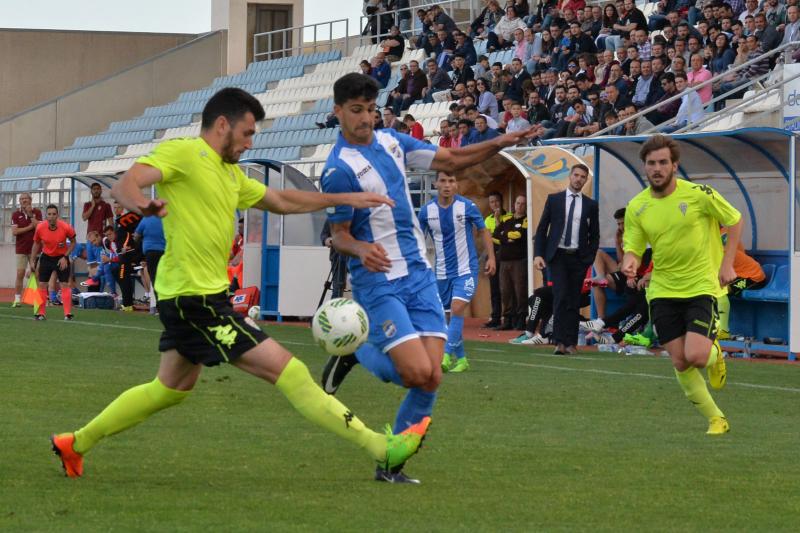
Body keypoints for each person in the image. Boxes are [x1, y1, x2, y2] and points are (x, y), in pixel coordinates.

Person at [49, 87, 432, 482]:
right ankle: (380, 447)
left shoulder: (231, 176)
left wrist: (346, 197)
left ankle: (73, 443)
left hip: (203, 298)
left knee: (170, 389)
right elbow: (126, 184)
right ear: (222, 125)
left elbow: (283, 200)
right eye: (247, 133)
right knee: (291, 372)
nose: (250, 142)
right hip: (192, 301)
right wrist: (141, 204)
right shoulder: (185, 153)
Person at [318, 73, 532, 482]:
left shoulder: (392, 142)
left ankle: (391, 465)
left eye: (370, 109)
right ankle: (357, 348)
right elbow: (339, 236)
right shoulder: (338, 171)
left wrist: (500, 142)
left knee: (431, 377)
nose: (365, 119)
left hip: (418, 274)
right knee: (416, 372)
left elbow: (450, 161)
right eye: (356, 111)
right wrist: (362, 248)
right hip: (379, 281)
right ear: (338, 112)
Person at [621, 134, 741, 435]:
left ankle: (716, 355)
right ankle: (717, 419)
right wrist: (630, 261)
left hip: (700, 285)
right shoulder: (637, 206)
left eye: (663, 162)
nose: (657, 168)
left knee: (697, 356)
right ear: (644, 168)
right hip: (662, 290)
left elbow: (735, 219)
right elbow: (634, 245)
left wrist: (727, 264)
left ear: (675, 165)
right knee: (680, 361)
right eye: (651, 163)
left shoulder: (699, 194)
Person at [418, 172, 496, 373]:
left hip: (466, 270)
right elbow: (417, 239)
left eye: (451, 180)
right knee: (448, 318)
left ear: (456, 184)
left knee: (457, 308)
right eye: (443, 181)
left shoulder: (467, 206)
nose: (447, 185)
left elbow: (483, 231)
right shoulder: (427, 211)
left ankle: (444, 356)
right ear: (435, 183)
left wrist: (491, 257)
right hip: (442, 273)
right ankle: (461, 359)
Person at [533, 164, 599, 355]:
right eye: (576, 175)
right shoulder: (554, 200)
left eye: (583, 177)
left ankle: (570, 343)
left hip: (578, 258)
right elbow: (542, 228)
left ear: (586, 180)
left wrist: (589, 258)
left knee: (573, 300)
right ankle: (559, 342)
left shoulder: (590, 205)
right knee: (560, 297)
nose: (578, 179)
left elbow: (594, 234)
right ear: (570, 177)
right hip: (558, 255)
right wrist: (539, 254)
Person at [29, 204, 76, 320]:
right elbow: (36, 244)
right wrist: (32, 260)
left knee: (64, 284)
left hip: (61, 257)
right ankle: (41, 313)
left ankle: (67, 314)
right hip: (46, 257)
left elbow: (74, 242)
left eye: (54, 214)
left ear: (57, 215)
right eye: (49, 214)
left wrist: (65, 257)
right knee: (42, 284)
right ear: (46, 216)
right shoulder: (40, 228)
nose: (51, 217)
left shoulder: (66, 227)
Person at [495, 195, 529, 330]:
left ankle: (521, 320)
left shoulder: (526, 220)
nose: (519, 206)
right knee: (505, 291)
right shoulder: (507, 218)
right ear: (514, 204)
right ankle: (507, 320)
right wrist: (508, 236)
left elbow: (520, 235)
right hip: (504, 261)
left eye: (522, 204)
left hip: (518, 261)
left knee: (520, 291)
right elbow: (495, 234)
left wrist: (504, 234)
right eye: (518, 203)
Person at [11, 192, 43, 308]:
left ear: (30, 200)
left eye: (25, 198)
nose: (23, 200)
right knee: (20, 273)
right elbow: (15, 232)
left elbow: (39, 227)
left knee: (37, 273)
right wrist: (30, 227)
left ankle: (37, 299)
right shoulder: (15, 214)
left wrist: (30, 215)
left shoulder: (37, 212)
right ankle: (17, 299)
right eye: (21, 199)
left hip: (35, 248)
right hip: (21, 248)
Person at [484, 191, 511, 328]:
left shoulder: (509, 217)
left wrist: (498, 219)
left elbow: (504, 235)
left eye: (496, 201)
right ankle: (495, 317)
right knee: (494, 288)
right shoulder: (487, 220)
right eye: (491, 202)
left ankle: (509, 318)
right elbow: (489, 238)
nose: (494, 204)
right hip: (494, 254)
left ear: (501, 202)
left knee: (506, 288)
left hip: (507, 254)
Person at [135, 215, 166, 315]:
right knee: (164, 279)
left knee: (155, 279)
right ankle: (167, 305)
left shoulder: (146, 219)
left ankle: (160, 307)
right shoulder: (165, 218)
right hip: (164, 252)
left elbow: (136, 236)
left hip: (151, 252)